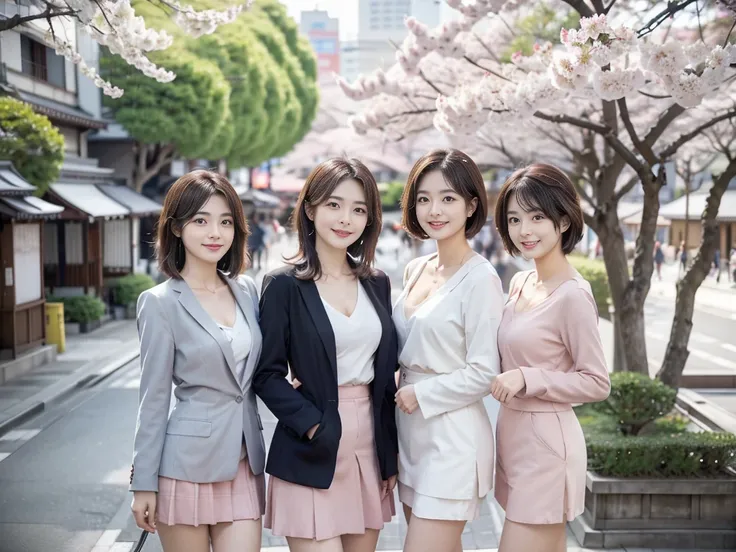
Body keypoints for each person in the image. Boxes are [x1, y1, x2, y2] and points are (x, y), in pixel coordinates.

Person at [253, 157, 398, 552]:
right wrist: (314, 424)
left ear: (369, 219)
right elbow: (265, 374)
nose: (345, 218)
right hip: (312, 442)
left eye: (358, 209)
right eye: (334, 205)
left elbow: (386, 376)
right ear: (311, 208)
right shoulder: (283, 285)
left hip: (370, 446)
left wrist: (389, 455)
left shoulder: (377, 282)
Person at [129, 170, 266, 552]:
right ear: (176, 227)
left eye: (225, 222)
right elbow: (153, 399)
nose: (215, 233)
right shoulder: (159, 303)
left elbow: (257, 370)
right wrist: (143, 482)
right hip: (185, 466)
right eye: (201, 221)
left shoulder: (247, 291)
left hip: (243, 460)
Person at [491, 163, 611, 552]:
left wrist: (529, 377)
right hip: (512, 439)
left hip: (547, 446)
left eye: (537, 217)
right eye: (514, 219)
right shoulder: (521, 281)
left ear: (562, 220)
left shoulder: (573, 295)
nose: (524, 230)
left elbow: (596, 381)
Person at [392, 149, 504, 552]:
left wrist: (420, 393)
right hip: (409, 434)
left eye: (448, 198)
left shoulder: (481, 279)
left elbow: (484, 372)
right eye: (423, 198)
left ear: (472, 204)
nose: (433, 209)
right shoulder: (415, 269)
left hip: (453, 440)